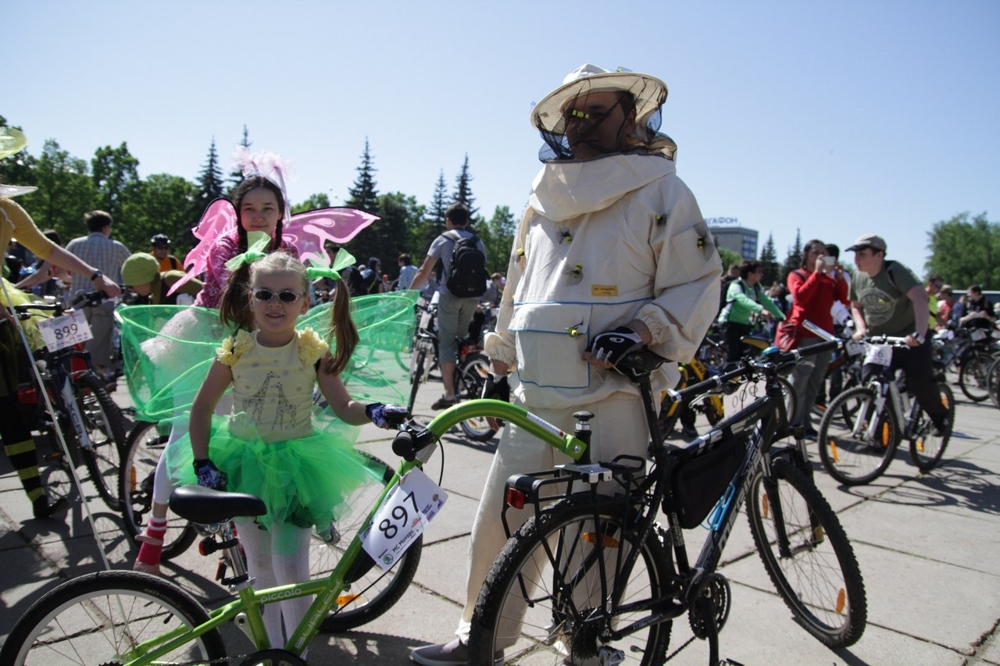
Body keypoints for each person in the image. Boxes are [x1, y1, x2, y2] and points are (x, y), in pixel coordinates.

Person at [410, 63, 721, 665]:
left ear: (629, 117)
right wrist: (499, 352)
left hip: (613, 394)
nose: (579, 125)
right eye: (572, 114)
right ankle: (482, 635)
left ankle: (586, 644)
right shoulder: (543, 194)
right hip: (534, 391)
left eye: (594, 112)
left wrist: (641, 330)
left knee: (599, 532)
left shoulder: (663, 190)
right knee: (501, 520)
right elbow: (521, 280)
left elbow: (697, 280)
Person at [161, 250, 406, 650]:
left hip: (297, 468)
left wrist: (373, 410)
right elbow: (202, 407)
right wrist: (203, 460)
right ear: (249, 298)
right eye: (265, 294)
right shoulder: (235, 349)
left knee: (292, 567)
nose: (276, 304)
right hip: (243, 465)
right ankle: (271, 649)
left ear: (306, 302)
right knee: (259, 566)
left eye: (288, 296)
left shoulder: (312, 350)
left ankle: (298, 653)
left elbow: (344, 407)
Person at [0, 127, 122, 519]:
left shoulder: (7, 208)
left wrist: (95, 275)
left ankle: (37, 497)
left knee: (10, 406)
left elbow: (46, 249)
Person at [847, 233, 949, 435]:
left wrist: (919, 333)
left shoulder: (895, 271)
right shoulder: (857, 276)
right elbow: (856, 306)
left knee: (919, 382)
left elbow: (920, 297)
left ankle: (940, 418)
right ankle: (880, 432)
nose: (856, 259)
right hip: (881, 342)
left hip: (908, 339)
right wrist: (861, 328)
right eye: (855, 254)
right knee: (870, 380)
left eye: (862, 254)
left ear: (879, 255)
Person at [409, 203, 488, 409]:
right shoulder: (478, 242)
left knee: (446, 342)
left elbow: (424, 271)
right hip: (472, 298)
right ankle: (468, 372)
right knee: (462, 339)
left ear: (448, 221)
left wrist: (408, 294)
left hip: (449, 296)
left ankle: (450, 393)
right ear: (467, 221)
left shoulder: (443, 240)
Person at [193, 176, 299, 309]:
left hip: (270, 320)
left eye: (267, 209)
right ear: (238, 213)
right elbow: (237, 296)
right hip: (214, 320)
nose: (258, 217)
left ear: (280, 213)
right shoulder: (224, 247)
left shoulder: (289, 250)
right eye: (249, 209)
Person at [785, 240, 849, 437]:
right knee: (800, 380)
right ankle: (792, 423)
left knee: (816, 381)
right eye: (816, 252)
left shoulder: (828, 279)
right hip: (805, 334)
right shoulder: (797, 275)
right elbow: (801, 297)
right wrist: (816, 274)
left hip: (825, 336)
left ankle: (805, 423)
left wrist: (839, 278)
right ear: (806, 254)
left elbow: (843, 299)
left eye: (824, 253)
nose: (820, 256)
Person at [65, 210, 131, 378]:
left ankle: (76, 380)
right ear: (106, 227)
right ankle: (98, 380)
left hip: (78, 301)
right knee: (99, 348)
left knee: (75, 345)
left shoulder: (74, 244)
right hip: (104, 302)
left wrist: (74, 280)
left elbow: (60, 272)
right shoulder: (116, 246)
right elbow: (131, 269)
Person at [718, 259, 784, 366]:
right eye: (759, 271)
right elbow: (743, 300)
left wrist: (782, 317)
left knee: (744, 357)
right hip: (729, 324)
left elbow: (767, 302)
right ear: (750, 274)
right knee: (732, 357)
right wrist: (760, 310)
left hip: (744, 324)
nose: (761, 274)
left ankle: (737, 380)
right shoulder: (736, 285)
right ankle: (725, 380)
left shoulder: (756, 287)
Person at [121, 252, 202, 305]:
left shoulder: (171, 279)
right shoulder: (153, 296)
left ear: (143, 280)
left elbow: (208, 292)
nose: (132, 290)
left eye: (131, 286)